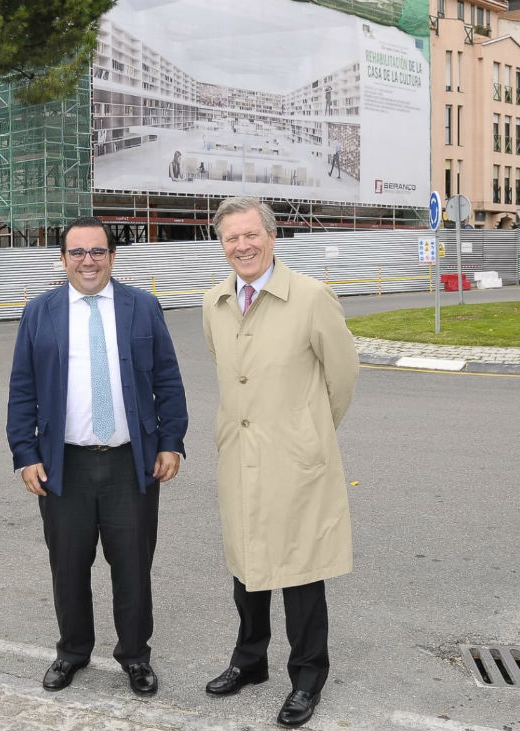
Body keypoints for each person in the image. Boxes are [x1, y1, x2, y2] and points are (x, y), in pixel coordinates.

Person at [7, 216, 188, 697]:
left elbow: (168, 381)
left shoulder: (142, 307)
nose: (88, 261)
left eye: (97, 251)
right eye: (77, 252)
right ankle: (72, 651)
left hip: (132, 464)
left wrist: (171, 442)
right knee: (68, 564)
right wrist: (25, 454)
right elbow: (22, 389)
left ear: (112, 255)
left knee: (132, 564)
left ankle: (135, 655)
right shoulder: (39, 312)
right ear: (63, 259)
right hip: (65, 464)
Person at [200, 197, 358, 729]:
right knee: (248, 567)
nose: (241, 246)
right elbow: (228, 368)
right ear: (221, 244)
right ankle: (250, 662)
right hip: (240, 453)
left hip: (295, 458)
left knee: (301, 571)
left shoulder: (311, 297)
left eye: (251, 235)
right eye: (231, 238)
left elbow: (343, 378)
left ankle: (308, 677)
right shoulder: (214, 302)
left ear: (272, 236)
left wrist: (306, 432)